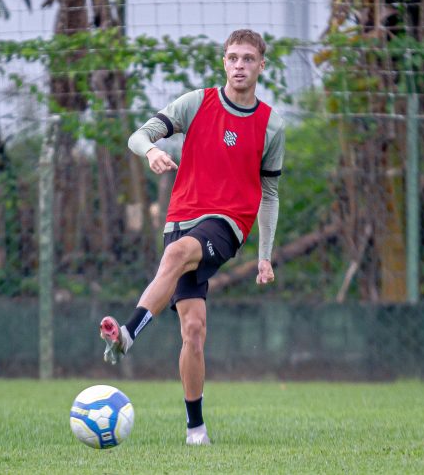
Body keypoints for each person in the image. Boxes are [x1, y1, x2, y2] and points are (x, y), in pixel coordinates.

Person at [99, 29, 285, 446]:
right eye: (233, 58)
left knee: (181, 252)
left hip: (228, 223)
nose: (240, 65)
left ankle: (128, 333)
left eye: (248, 59)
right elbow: (138, 135)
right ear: (224, 62)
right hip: (180, 217)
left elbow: (269, 193)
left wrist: (265, 255)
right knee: (194, 331)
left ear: (260, 66)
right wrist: (151, 151)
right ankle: (196, 429)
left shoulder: (271, 124)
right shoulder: (195, 103)